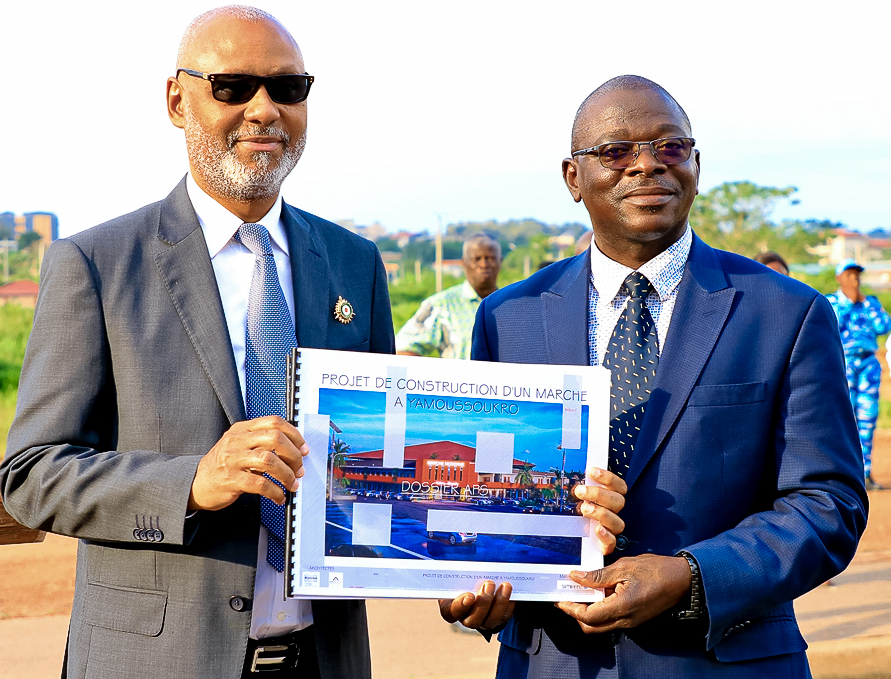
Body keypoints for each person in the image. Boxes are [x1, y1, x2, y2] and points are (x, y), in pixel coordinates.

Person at [0, 6, 393, 678]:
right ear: (177, 101)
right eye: (233, 88)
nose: (265, 110)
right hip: (153, 660)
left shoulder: (354, 262)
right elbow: (31, 474)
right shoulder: (95, 263)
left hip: (323, 658)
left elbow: (382, 457)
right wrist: (189, 482)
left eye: (288, 89)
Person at [439, 76, 867, 678]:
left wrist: (693, 575)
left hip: (724, 663)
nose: (647, 166)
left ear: (695, 163)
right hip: (553, 664)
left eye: (670, 148)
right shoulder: (508, 318)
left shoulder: (786, 312)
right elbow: (481, 499)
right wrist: (469, 584)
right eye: (616, 152)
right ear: (572, 177)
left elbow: (830, 503)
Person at [826, 259, 891, 490]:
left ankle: (864, 474)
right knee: (843, 419)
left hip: (868, 366)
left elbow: (884, 326)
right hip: (841, 365)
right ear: (839, 277)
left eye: (857, 274)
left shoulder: (869, 303)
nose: (854, 278)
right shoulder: (830, 302)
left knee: (867, 419)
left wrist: (863, 300)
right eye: (849, 274)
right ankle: (841, 476)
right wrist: (848, 302)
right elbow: (828, 325)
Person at [396, 232, 502, 359]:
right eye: (476, 259)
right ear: (464, 263)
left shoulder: (510, 305)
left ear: (500, 261)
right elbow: (403, 347)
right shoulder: (441, 304)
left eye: (490, 258)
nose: (483, 265)